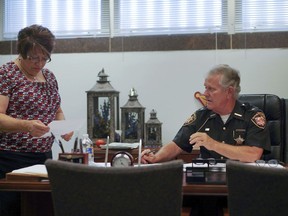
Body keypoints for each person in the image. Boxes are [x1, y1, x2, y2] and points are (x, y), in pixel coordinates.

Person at [141, 64, 271, 216]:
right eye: (205, 88)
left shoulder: (253, 116)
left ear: (229, 91)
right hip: (206, 187)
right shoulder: (201, 116)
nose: (205, 94)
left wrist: (213, 144)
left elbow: (253, 154)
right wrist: (156, 157)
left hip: (241, 185)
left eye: (211, 89)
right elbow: (177, 144)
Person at [0, 24, 72, 215]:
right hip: (11, 159)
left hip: (43, 159)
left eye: (44, 58)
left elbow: (57, 111)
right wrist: (26, 125)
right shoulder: (6, 74)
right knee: (13, 209)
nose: (39, 64)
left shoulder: (49, 76)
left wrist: (64, 127)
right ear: (21, 52)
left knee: (43, 207)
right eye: (33, 58)